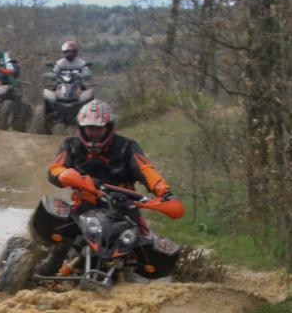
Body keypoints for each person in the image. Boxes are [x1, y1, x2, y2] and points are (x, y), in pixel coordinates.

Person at [37, 99, 185, 274]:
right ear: (82, 128)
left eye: (98, 128)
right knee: (63, 229)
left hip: (125, 207)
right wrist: (65, 175)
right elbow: (55, 169)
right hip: (85, 202)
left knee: (145, 243)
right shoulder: (71, 145)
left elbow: (147, 170)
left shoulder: (127, 147)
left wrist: (165, 193)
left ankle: (140, 279)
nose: (94, 133)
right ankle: (49, 264)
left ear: (108, 127)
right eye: (89, 128)